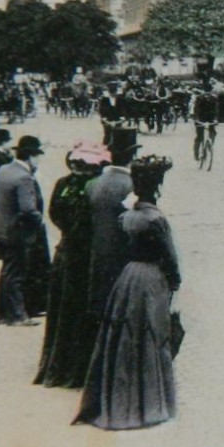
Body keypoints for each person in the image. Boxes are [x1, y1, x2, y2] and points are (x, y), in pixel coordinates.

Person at [74, 155, 181, 430]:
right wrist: (174, 281)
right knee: (153, 335)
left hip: (128, 277)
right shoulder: (156, 219)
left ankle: (121, 396)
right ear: (157, 185)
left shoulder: (128, 216)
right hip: (151, 278)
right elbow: (169, 258)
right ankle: (150, 403)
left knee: (125, 334)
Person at [35, 142, 109, 388]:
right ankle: (79, 368)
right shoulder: (92, 188)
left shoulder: (63, 185)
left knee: (63, 312)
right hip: (85, 258)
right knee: (82, 312)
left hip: (65, 254)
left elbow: (55, 215)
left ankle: (59, 365)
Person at [0, 135, 46, 327]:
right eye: (37, 156)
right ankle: (17, 315)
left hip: (2, 228)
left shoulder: (4, 169)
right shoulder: (25, 178)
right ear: (30, 157)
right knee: (16, 275)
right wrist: (40, 221)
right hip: (18, 233)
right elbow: (28, 209)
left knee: (7, 271)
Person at [87, 126, 140, 320]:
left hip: (98, 252)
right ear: (132, 156)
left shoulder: (94, 182)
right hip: (122, 255)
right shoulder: (131, 185)